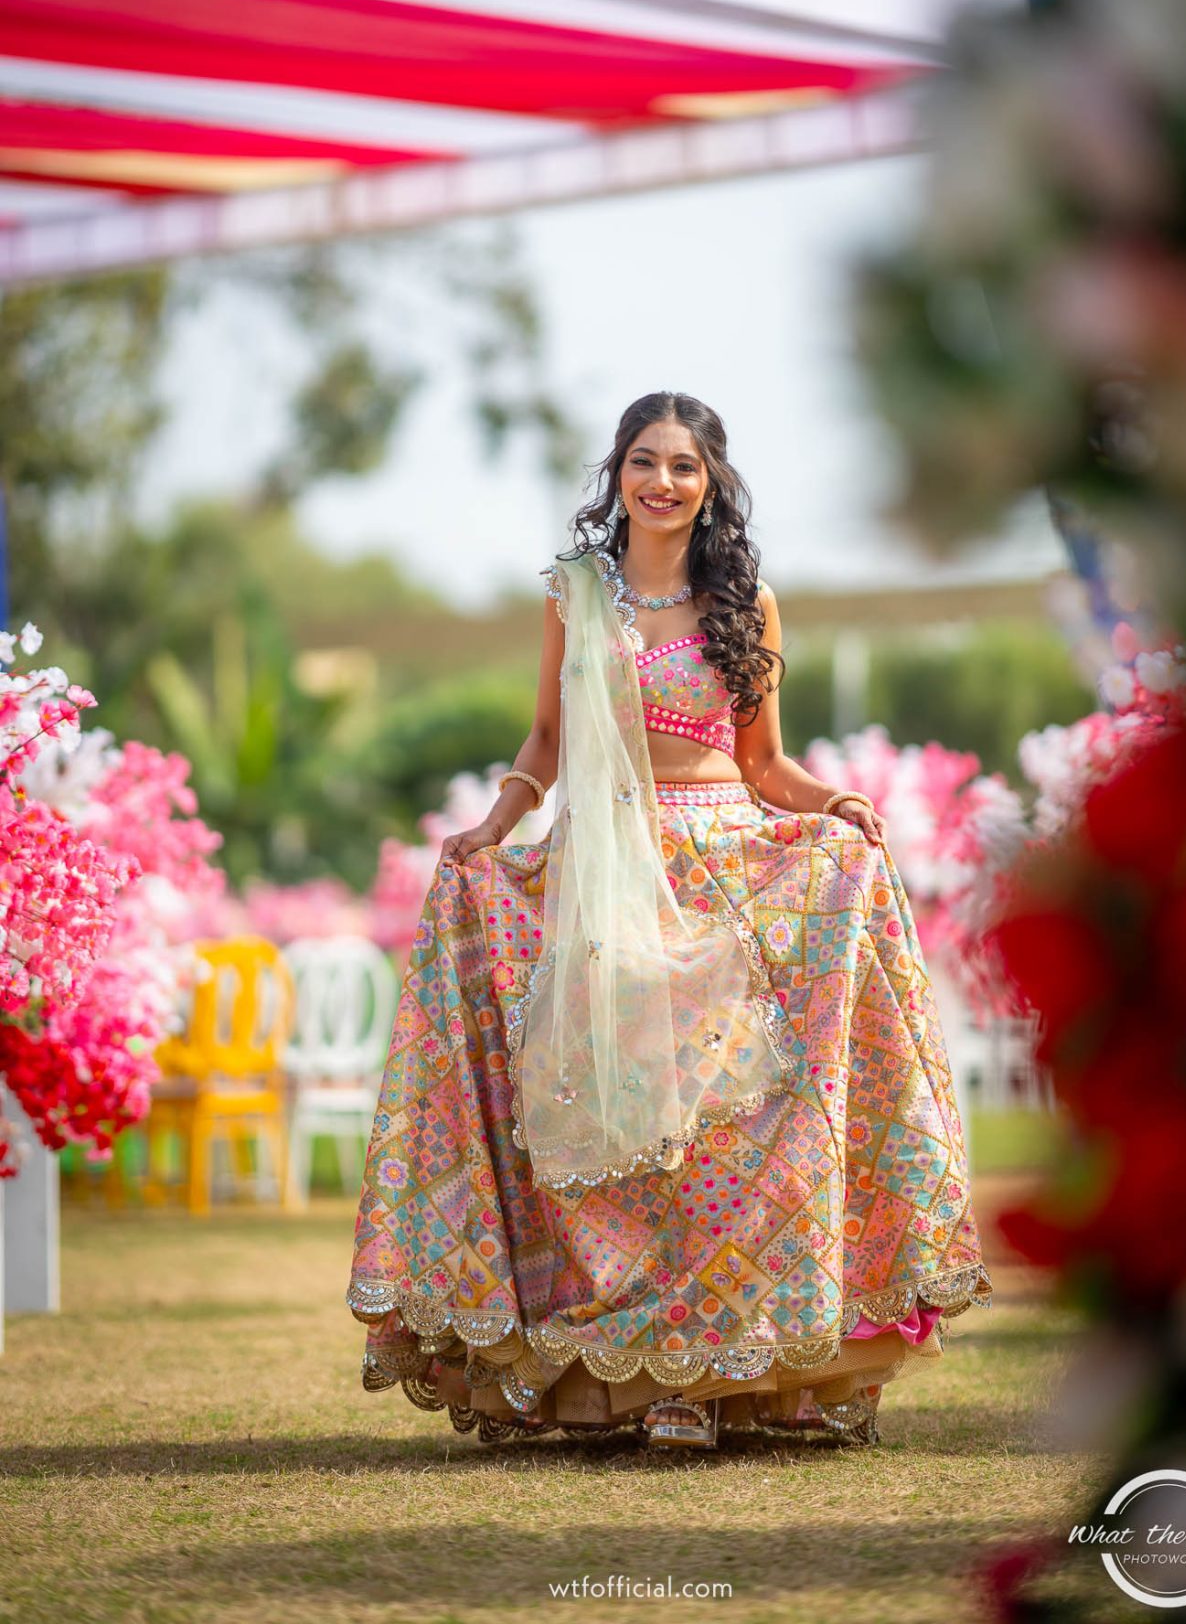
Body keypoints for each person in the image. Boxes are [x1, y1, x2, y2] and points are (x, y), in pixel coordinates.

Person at [347, 390, 991, 1451]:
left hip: (728, 877)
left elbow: (764, 763)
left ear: (709, 483)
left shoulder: (747, 602)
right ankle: (637, 1374)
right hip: (604, 887)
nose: (662, 481)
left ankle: (713, 1376)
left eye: (683, 466)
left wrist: (831, 803)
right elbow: (546, 740)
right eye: (644, 461)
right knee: (623, 1130)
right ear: (618, 473)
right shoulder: (573, 596)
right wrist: (493, 826)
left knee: (726, 1138)